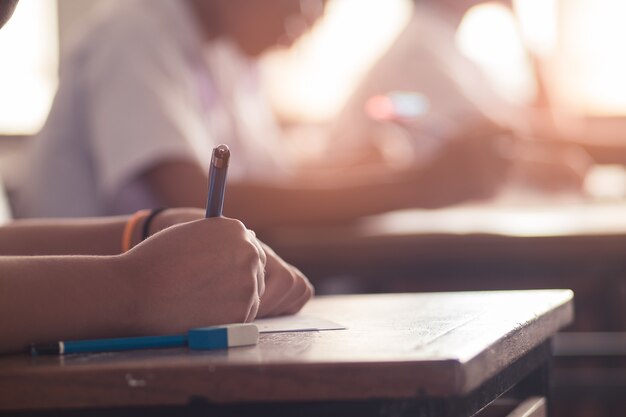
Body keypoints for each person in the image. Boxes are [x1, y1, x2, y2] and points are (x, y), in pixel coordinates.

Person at [13, 0, 516, 234]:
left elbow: (267, 180)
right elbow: (199, 203)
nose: (309, 22)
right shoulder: (134, 37)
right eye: (301, 1)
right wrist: (413, 186)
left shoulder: (231, 57)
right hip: (94, 329)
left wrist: (371, 171)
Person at [0, 0, 313, 355]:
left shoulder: (223, 56)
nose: (311, 17)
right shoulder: (133, 35)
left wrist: (149, 227)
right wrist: (136, 288)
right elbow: (187, 188)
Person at [331, 0, 591, 197]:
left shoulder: (449, 49)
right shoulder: (419, 52)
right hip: (351, 223)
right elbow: (496, 146)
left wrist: (526, 29)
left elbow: (535, 127)